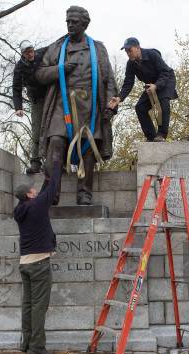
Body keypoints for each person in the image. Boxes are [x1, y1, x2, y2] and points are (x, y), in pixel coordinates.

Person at [35, 5, 117, 206]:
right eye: (68, 21)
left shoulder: (97, 48)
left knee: (88, 148)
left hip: (89, 105)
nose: (70, 25)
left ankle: (84, 193)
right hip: (61, 104)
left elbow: (108, 79)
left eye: (74, 22)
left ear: (85, 24)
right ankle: (52, 193)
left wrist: (111, 103)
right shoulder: (56, 47)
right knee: (55, 142)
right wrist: (59, 69)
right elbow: (40, 74)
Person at [13, 152, 61, 354]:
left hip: (25, 263)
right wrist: (57, 165)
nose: (35, 191)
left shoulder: (21, 209)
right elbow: (52, 190)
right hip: (40, 264)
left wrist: (46, 178)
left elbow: (43, 193)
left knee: (28, 305)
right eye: (33, 189)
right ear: (30, 195)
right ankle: (37, 348)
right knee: (39, 307)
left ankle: (26, 343)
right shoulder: (38, 205)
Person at [109, 37, 178, 142]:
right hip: (151, 85)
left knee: (163, 101)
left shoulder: (152, 55)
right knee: (140, 107)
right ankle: (151, 137)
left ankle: (161, 134)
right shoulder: (130, 64)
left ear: (137, 48)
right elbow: (128, 83)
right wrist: (119, 98)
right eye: (126, 51)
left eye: (130, 50)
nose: (128, 53)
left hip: (166, 79)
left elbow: (165, 72)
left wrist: (156, 86)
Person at [13, 40, 48, 174]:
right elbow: (16, 89)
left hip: (50, 95)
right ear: (23, 54)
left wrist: (67, 36)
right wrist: (18, 107)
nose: (31, 54)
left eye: (31, 51)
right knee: (37, 131)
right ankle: (35, 163)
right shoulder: (19, 68)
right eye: (27, 53)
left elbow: (55, 45)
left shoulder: (40, 53)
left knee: (53, 128)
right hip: (36, 100)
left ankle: (54, 161)